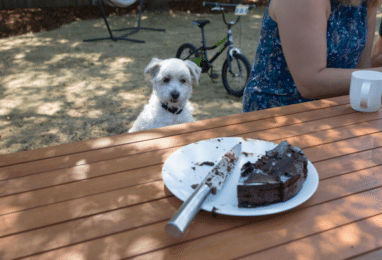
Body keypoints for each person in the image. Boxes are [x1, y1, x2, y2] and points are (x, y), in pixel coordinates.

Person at [243, 0, 381, 112]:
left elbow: (363, 71)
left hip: (333, 110)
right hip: (278, 112)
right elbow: (309, 82)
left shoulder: (367, 2)